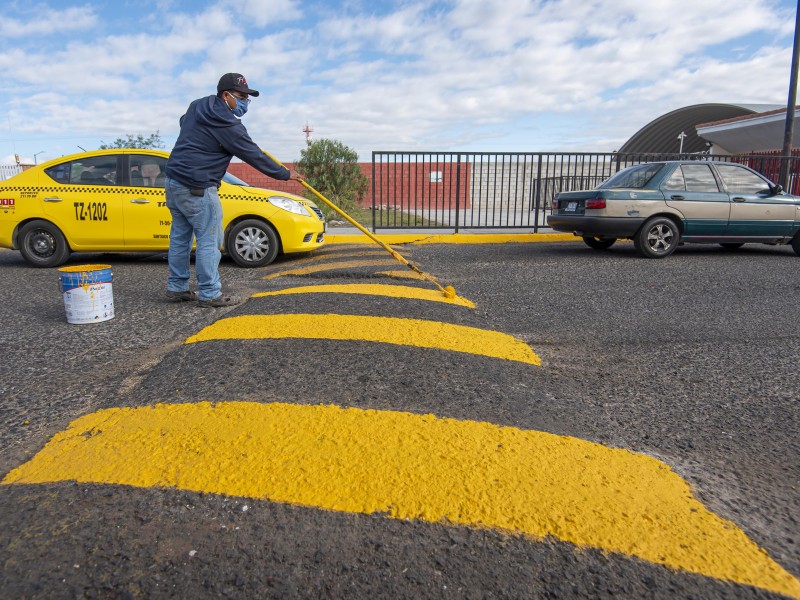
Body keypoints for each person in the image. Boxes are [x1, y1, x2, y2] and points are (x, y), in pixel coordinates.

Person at [164, 72, 302, 307]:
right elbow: (253, 154)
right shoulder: (228, 125)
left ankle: (177, 287)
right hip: (198, 187)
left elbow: (182, 121)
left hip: (173, 183)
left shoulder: (198, 106)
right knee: (209, 239)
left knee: (180, 237)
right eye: (241, 97)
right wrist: (285, 174)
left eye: (248, 98)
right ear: (226, 95)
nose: (245, 102)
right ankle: (209, 294)